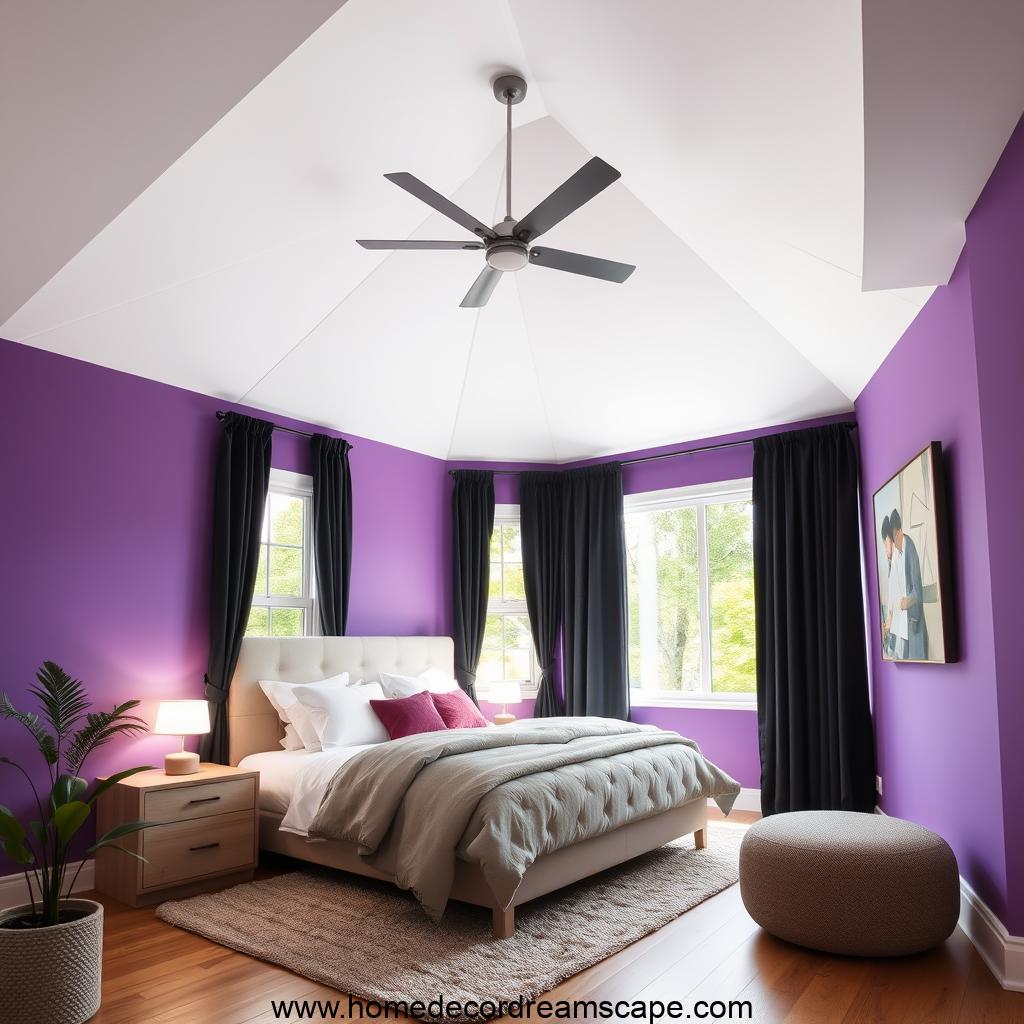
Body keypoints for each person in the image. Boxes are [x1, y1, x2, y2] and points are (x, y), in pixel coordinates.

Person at [890, 508, 928, 660]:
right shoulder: (898, 554)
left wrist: (908, 600)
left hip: (914, 624)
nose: (894, 545)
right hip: (905, 624)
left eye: (894, 540)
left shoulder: (909, 548)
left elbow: (918, 591)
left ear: (899, 532)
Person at [880, 514, 909, 659]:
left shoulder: (899, 561)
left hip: (900, 628)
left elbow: (898, 596)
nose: (886, 548)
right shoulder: (892, 565)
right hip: (896, 629)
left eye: (886, 542)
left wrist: (890, 617)